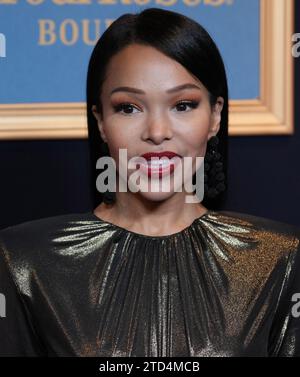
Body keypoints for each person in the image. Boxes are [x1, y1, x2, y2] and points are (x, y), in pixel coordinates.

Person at [0, 7, 300, 357]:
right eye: (129, 108)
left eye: (183, 105)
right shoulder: (24, 261)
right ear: (100, 121)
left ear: (215, 116)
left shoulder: (280, 258)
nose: (157, 133)